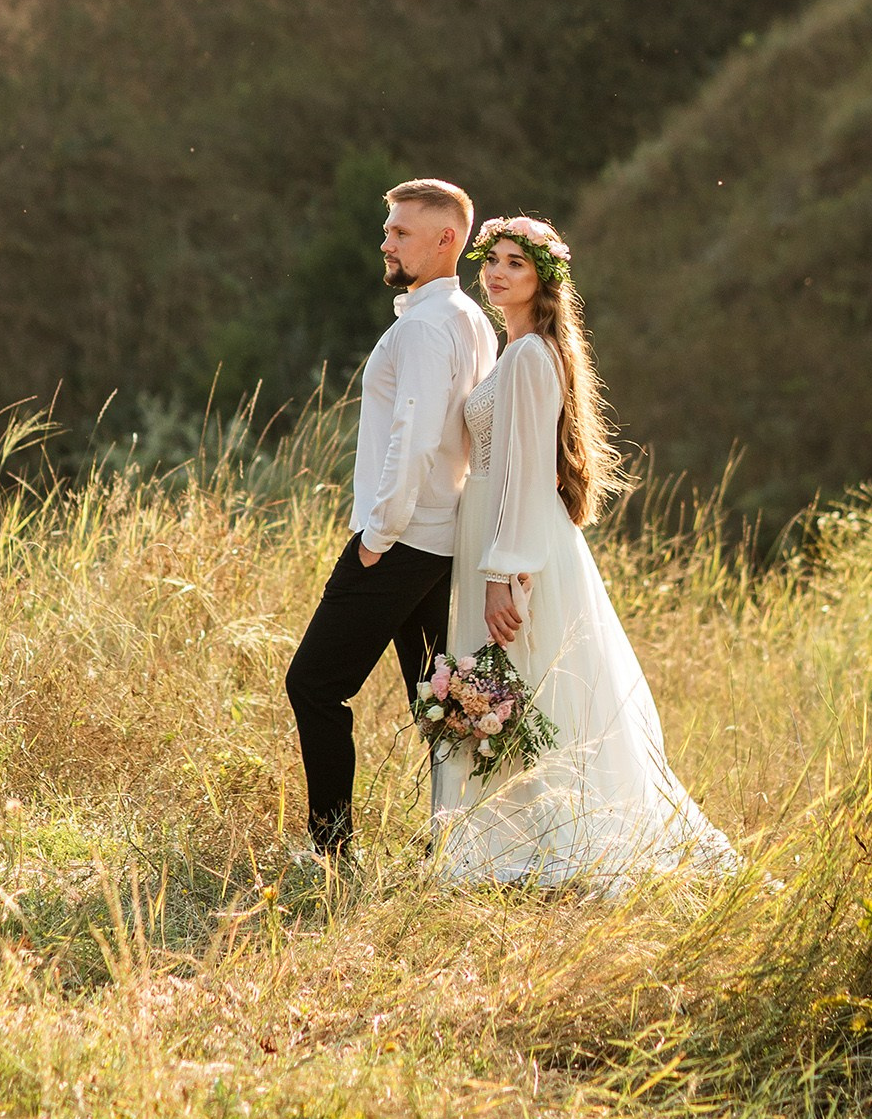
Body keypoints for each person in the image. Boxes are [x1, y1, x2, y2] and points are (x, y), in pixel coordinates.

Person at [433, 214, 737, 891]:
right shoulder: (515, 352)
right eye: (495, 260)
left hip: (515, 544)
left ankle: (548, 843)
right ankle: (503, 837)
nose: (499, 272)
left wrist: (501, 574)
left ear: (544, 279)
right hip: (498, 533)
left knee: (529, 691)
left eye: (516, 262)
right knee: (516, 693)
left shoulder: (531, 356)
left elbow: (526, 475)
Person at [285, 177, 498, 858]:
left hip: (402, 538)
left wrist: (376, 538)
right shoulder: (463, 317)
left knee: (314, 684)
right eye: (388, 229)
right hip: (436, 538)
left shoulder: (432, 327)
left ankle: (331, 850)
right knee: (438, 701)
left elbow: (415, 437)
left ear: (447, 240)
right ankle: (467, 842)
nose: (387, 241)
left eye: (401, 232)